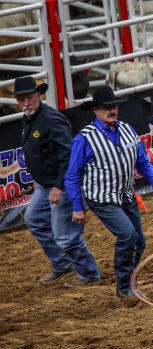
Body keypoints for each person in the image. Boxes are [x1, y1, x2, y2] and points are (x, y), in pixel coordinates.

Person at [64, 86, 153, 305]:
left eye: (113, 106)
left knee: (139, 241)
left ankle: (130, 283)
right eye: (105, 108)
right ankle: (123, 289)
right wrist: (77, 205)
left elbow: (143, 161)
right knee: (128, 236)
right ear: (95, 110)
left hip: (126, 195)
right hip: (101, 199)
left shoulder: (127, 130)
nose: (111, 111)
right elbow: (72, 175)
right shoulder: (84, 139)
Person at [14, 76, 101, 287]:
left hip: (62, 184)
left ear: (38, 96)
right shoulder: (31, 119)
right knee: (34, 219)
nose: (26, 103)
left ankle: (89, 274)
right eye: (21, 99)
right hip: (46, 185)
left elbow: (68, 155)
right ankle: (63, 265)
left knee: (66, 235)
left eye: (30, 98)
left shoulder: (51, 120)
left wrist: (59, 186)